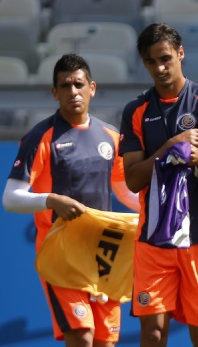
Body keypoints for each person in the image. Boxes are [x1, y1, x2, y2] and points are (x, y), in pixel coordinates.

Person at [2, 53, 140, 347]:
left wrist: (160, 210)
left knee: (104, 341)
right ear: (54, 92)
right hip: (61, 252)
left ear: (92, 88)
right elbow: (11, 198)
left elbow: (123, 189)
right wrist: (52, 200)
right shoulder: (40, 138)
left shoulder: (111, 137)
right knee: (81, 335)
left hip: (104, 254)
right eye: (65, 86)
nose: (72, 92)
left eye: (78, 84)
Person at [118, 23, 198, 347]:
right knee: (153, 335)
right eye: (151, 61)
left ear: (181, 53)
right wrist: (169, 148)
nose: (159, 67)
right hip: (153, 240)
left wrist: (196, 157)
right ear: (143, 63)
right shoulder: (135, 111)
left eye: (165, 58)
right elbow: (132, 179)